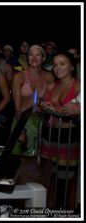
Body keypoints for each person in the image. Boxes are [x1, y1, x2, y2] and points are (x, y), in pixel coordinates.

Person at [39, 51, 80, 208]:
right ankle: (48, 211)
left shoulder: (79, 86)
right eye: (55, 64)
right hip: (49, 136)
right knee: (49, 177)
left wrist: (77, 109)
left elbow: (76, 110)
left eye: (62, 64)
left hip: (68, 138)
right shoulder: (51, 85)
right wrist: (45, 107)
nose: (57, 68)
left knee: (69, 180)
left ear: (71, 67)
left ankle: (70, 213)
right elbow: (44, 108)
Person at [11, 44, 55, 156]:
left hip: (41, 123)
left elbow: (51, 101)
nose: (34, 58)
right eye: (31, 55)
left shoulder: (49, 77)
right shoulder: (19, 77)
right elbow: (17, 108)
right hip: (22, 122)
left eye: (38, 55)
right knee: (16, 159)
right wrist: (20, 131)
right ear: (27, 57)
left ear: (43, 58)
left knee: (36, 160)